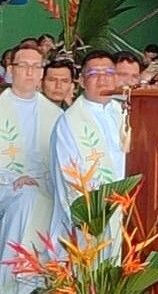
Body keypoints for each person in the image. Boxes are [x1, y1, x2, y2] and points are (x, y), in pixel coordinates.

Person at [0, 45, 61, 294]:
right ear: (10, 71)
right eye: (24, 65)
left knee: (45, 199)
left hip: (42, 186)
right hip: (4, 182)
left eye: (37, 67)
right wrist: (11, 177)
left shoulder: (56, 115)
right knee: (28, 199)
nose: (30, 72)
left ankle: (44, 283)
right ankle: (15, 288)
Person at [49, 51, 124, 248]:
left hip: (130, 209)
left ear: (116, 77)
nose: (102, 79)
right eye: (93, 74)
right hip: (95, 214)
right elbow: (69, 174)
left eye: (108, 72)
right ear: (82, 81)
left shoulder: (126, 112)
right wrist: (94, 214)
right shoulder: (69, 122)